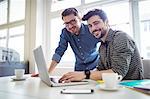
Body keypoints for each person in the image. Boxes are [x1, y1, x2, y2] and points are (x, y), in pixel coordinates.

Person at [59, 9, 144, 83]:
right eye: (90, 26)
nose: (93, 28)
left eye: (96, 23)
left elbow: (117, 72)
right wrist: (78, 78)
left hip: (131, 87)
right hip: (113, 86)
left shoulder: (121, 38)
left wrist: (84, 74)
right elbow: (100, 70)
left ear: (106, 22)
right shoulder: (102, 46)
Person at [48, 8, 99, 73]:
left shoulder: (90, 29)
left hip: (94, 69)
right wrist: (48, 72)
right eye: (66, 24)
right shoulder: (65, 32)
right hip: (78, 70)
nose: (70, 26)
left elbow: (105, 42)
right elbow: (59, 51)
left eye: (73, 21)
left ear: (79, 18)